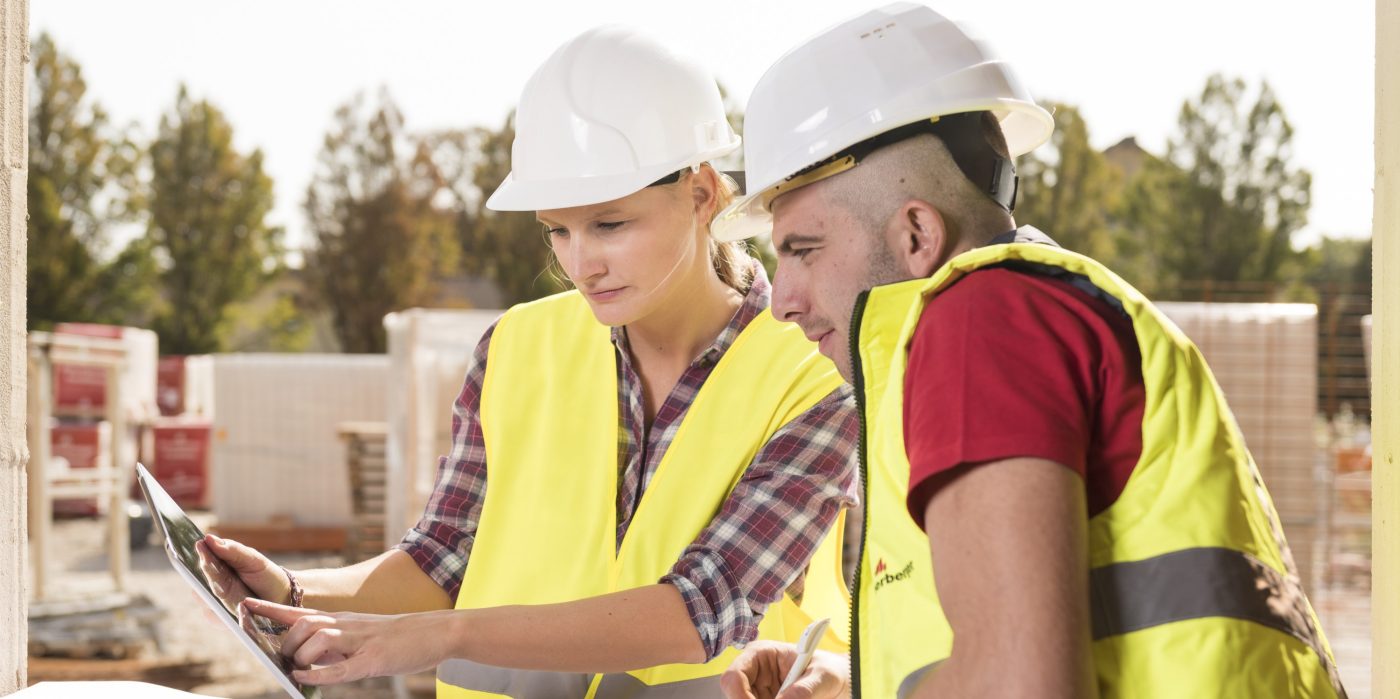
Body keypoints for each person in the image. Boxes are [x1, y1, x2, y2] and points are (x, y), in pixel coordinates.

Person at [712, 4, 1347, 698]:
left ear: (917, 233)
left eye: (804, 249)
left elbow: (1018, 685)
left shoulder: (982, 320)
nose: (782, 299)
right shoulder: (1050, 308)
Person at [206, 25, 857, 698]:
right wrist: (292, 590)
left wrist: (444, 636)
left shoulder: (816, 372)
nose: (581, 264)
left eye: (610, 224)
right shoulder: (514, 350)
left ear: (701, 194)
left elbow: (706, 605)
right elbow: (439, 559)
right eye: (558, 230)